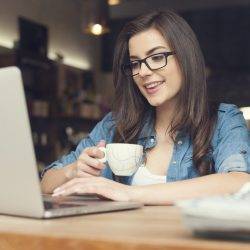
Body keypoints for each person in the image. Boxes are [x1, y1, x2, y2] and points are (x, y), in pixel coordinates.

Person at [41, 10, 250, 205]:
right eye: (135, 63)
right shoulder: (115, 125)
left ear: (186, 58)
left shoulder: (223, 120)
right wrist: (73, 171)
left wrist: (129, 193)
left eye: (157, 57)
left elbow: (239, 182)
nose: (143, 71)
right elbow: (46, 182)